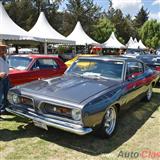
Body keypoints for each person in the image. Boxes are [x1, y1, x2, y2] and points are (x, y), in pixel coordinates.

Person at [0, 42, 10, 116]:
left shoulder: (5, 57)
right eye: (2, 48)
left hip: (6, 78)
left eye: (4, 48)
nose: (4, 49)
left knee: (6, 95)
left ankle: (4, 109)